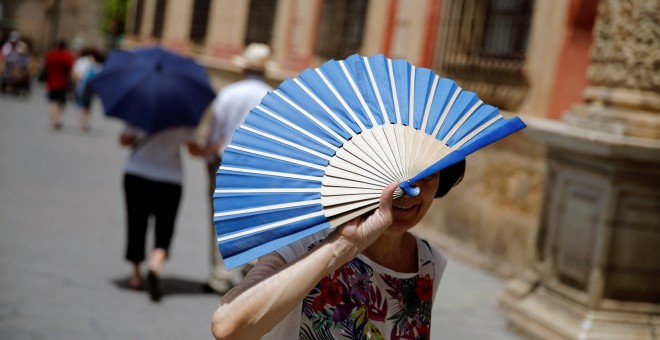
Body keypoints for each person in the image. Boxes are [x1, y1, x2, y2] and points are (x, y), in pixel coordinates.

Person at [211, 160, 466, 339]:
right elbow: (229, 327)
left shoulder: (429, 263)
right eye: (396, 173)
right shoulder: (305, 239)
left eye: (429, 174)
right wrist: (344, 245)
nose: (409, 190)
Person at [187, 43, 273, 294]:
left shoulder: (229, 93)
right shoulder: (272, 96)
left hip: (225, 163)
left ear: (244, 68)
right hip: (259, 168)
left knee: (221, 220)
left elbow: (214, 134)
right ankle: (251, 268)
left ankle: (219, 277)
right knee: (254, 218)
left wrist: (207, 161)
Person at [118, 125, 192, 302]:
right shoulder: (185, 116)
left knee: (136, 222)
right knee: (165, 226)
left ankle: (136, 275)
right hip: (170, 177)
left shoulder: (139, 108)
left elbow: (123, 140)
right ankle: (155, 266)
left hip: (137, 172)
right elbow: (194, 149)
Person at [43, 40, 74, 130]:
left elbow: (46, 67)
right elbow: (70, 69)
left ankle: (53, 120)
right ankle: (58, 120)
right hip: (62, 83)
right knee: (61, 102)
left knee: (52, 101)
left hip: (51, 81)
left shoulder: (50, 55)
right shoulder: (67, 56)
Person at [72, 48, 102, 131]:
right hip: (90, 88)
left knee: (82, 105)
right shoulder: (96, 64)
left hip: (81, 86)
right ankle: (84, 122)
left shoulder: (81, 62)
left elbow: (75, 74)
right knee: (87, 105)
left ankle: (82, 121)